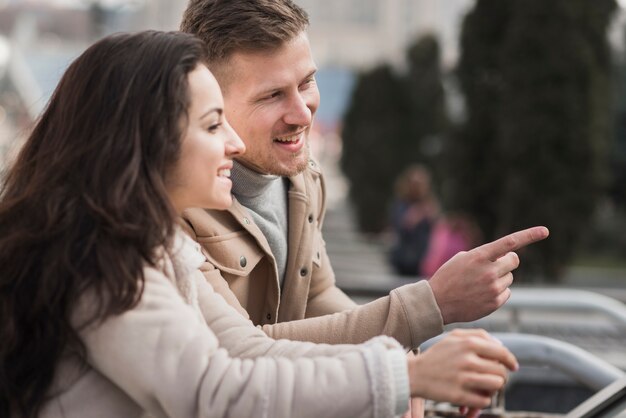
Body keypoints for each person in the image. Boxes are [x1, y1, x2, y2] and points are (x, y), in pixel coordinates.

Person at [0, 30, 518, 418]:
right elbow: (217, 391)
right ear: (143, 140)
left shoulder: (146, 243)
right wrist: (407, 370)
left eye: (307, 84)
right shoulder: (100, 259)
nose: (234, 142)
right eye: (212, 123)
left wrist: (406, 369)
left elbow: (249, 350)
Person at [179, 0, 549, 346]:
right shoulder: (171, 206)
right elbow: (241, 353)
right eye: (272, 95)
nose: (304, 114)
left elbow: (317, 295)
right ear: (209, 99)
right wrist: (428, 306)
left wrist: (408, 363)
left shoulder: (304, 176)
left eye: (306, 82)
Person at [389, 165, 440, 276]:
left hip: (424, 260)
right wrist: (417, 214)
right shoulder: (401, 204)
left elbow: (437, 229)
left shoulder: (429, 204)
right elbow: (401, 227)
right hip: (404, 259)